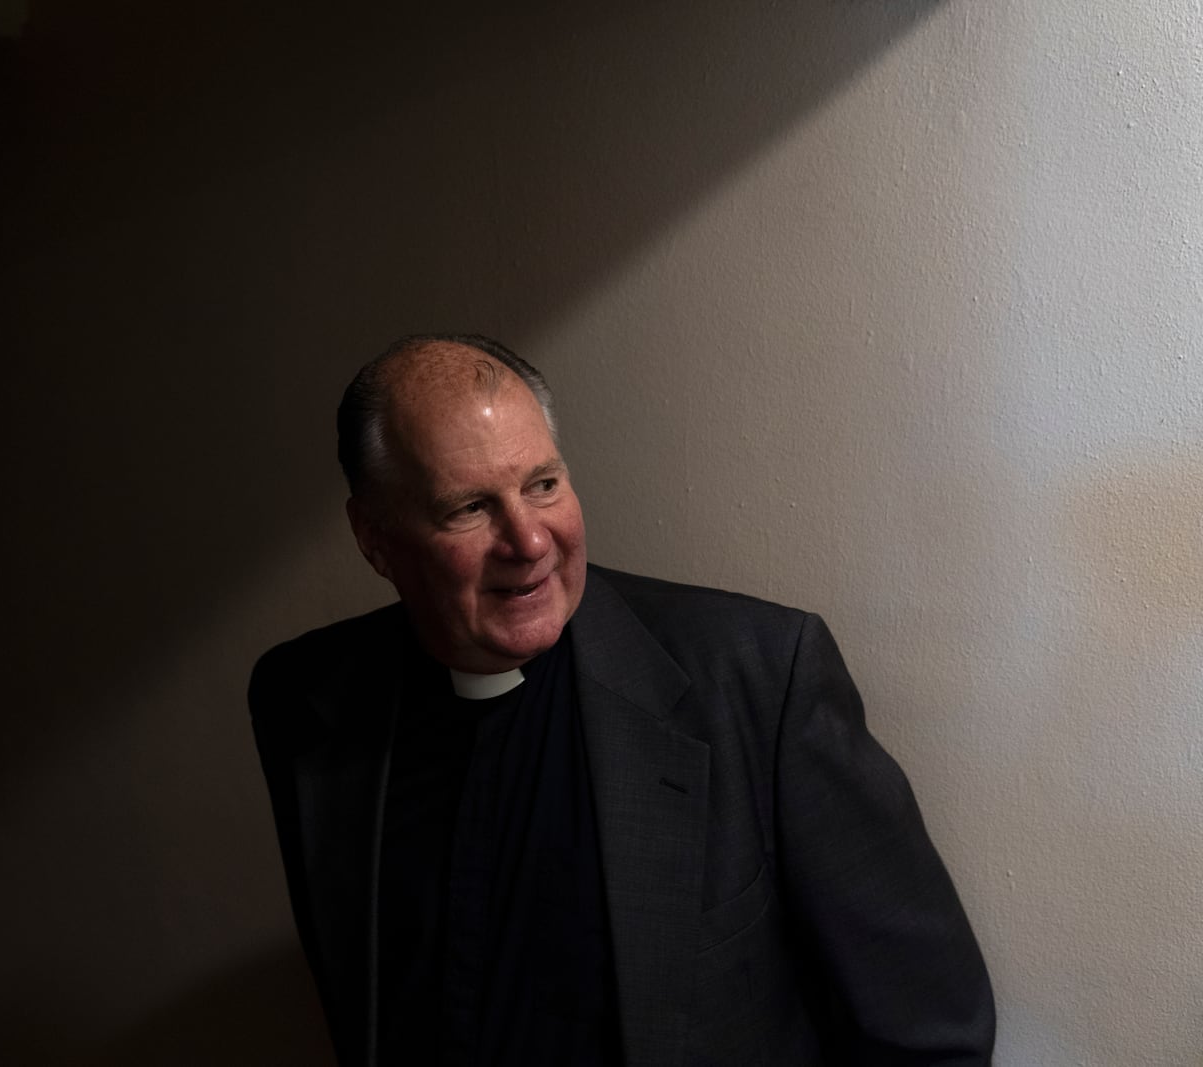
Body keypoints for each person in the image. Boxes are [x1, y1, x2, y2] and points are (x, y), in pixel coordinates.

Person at [249, 334, 995, 1066]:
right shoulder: (303, 700)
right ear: (375, 539)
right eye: (470, 507)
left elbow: (930, 1034)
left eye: (543, 483)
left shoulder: (761, 677)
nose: (529, 540)